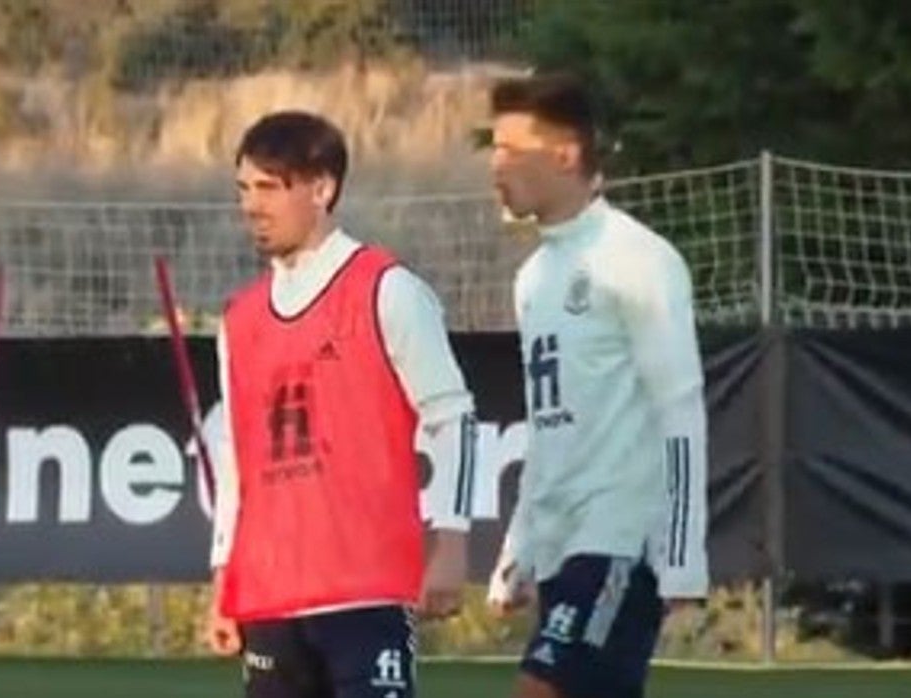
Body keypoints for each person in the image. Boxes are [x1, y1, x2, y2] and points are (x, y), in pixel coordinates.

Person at [204, 110, 479, 698]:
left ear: (323, 188)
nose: (252, 205)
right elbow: (237, 461)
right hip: (272, 596)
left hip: (367, 589)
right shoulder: (239, 319)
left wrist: (451, 540)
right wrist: (225, 576)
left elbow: (453, 417)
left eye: (270, 188)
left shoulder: (386, 289)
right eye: (244, 189)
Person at [483, 72, 710, 698]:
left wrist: (682, 554)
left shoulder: (638, 259)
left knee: (541, 689)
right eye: (492, 148)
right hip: (562, 544)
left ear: (565, 154)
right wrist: (520, 545)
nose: (495, 166)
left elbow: (680, 406)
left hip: (620, 540)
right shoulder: (533, 278)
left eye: (510, 149)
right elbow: (548, 424)